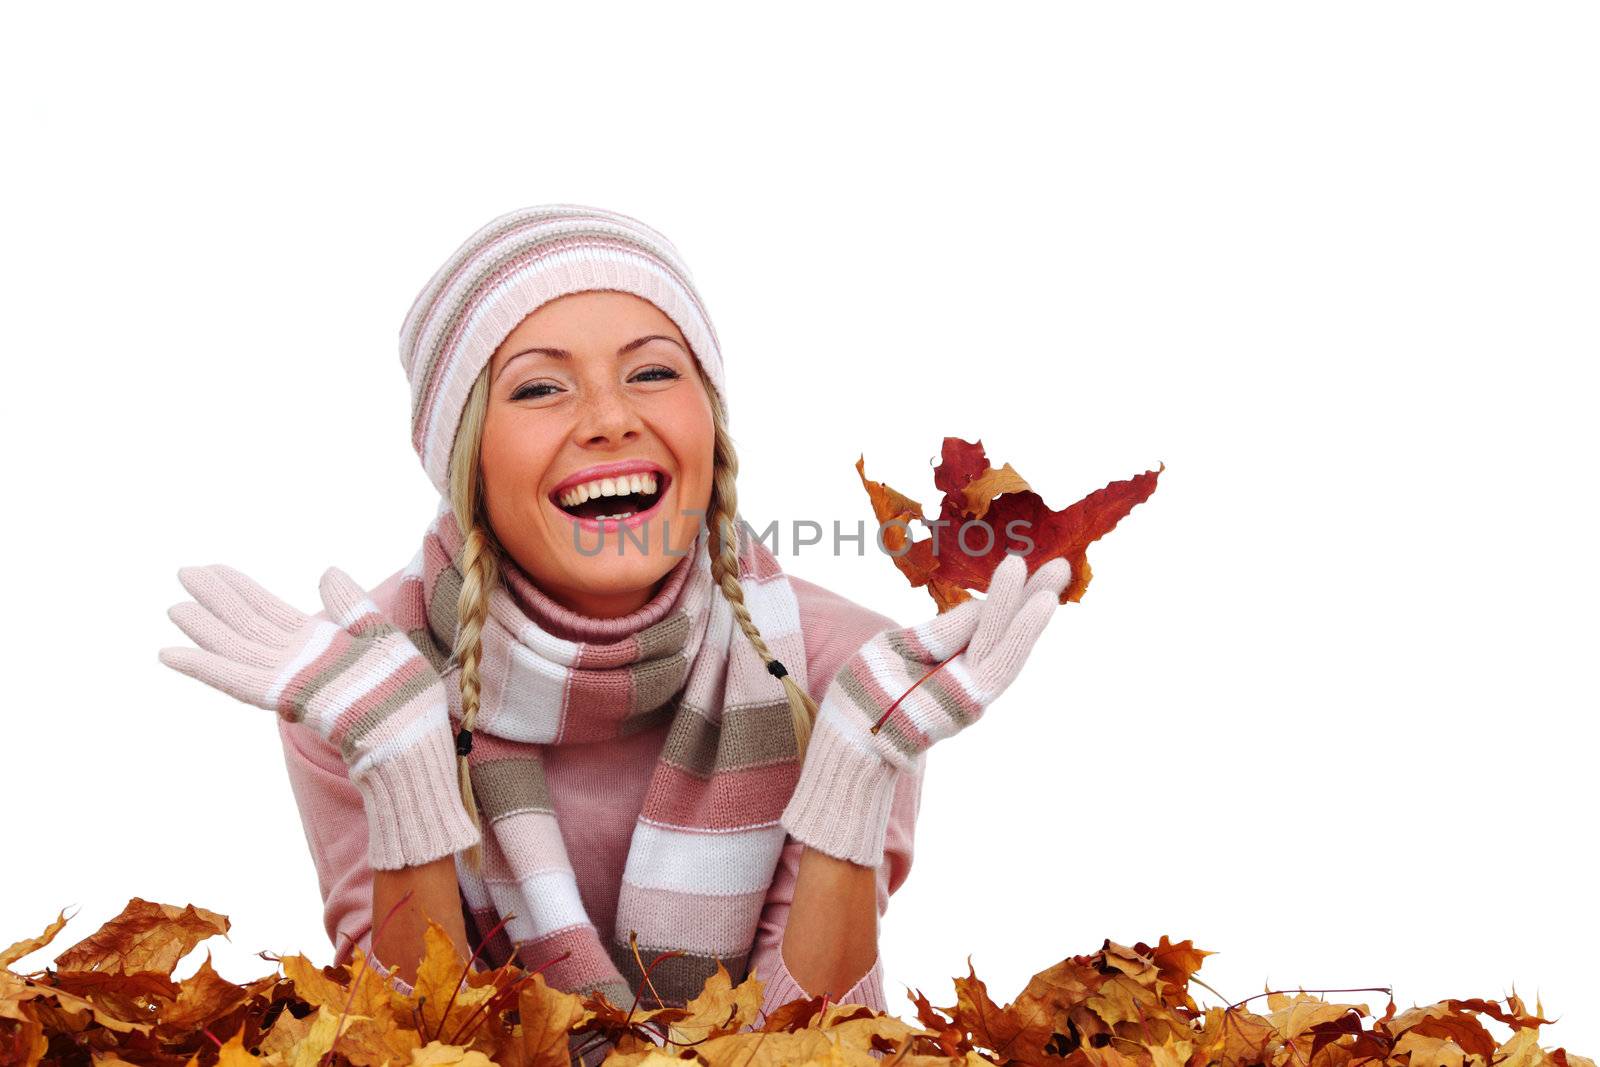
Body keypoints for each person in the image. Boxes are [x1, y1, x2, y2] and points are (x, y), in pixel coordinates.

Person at [157, 204, 1071, 1054]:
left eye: (653, 372)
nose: (608, 418)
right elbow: (405, 1049)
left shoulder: (848, 674)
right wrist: (403, 773)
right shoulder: (359, 684)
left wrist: (853, 779)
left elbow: (815, 1051)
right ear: (463, 453)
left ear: (709, 423)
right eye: (540, 387)